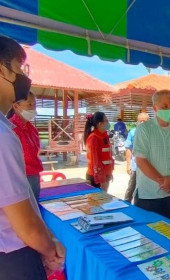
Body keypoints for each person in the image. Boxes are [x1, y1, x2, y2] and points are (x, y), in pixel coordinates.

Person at [0, 35, 65, 279]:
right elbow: (25, 225)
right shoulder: (3, 135)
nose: (25, 77)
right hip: (13, 258)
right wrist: (50, 249)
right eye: (19, 67)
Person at [133, 90, 170, 221]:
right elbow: (141, 160)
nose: (169, 110)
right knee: (147, 236)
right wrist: (162, 181)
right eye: (164, 107)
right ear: (155, 108)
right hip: (149, 194)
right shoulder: (144, 129)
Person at [8, 91, 43, 200]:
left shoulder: (32, 129)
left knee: (35, 207)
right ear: (16, 106)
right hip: (18, 178)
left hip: (34, 174)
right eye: (29, 104)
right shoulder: (10, 128)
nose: (33, 108)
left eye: (34, 104)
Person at [84, 112, 114, 192]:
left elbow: (108, 156)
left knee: (103, 202)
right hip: (96, 177)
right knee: (96, 203)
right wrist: (101, 179)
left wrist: (109, 172)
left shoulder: (104, 135)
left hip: (105, 176)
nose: (108, 123)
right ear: (100, 123)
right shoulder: (93, 138)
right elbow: (95, 161)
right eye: (106, 121)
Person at [124, 112, 150, 202]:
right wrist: (128, 165)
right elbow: (128, 149)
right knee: (131, 188)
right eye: (140, 121)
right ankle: (127, 205)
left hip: (148, 167)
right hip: (135, 166)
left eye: (145, 121)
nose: (142, 123)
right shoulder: (133, 132)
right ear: (137, 122)